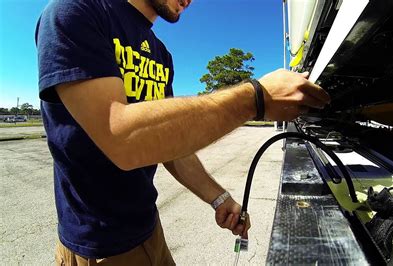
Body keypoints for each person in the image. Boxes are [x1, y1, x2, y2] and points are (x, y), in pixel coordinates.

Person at [35, 0, 330, 264]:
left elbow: (167, 145)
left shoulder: (161, 54)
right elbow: (121, 138)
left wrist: (219, 198)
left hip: (149, 229)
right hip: (99, 247)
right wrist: (255, 99)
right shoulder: (74, 12)